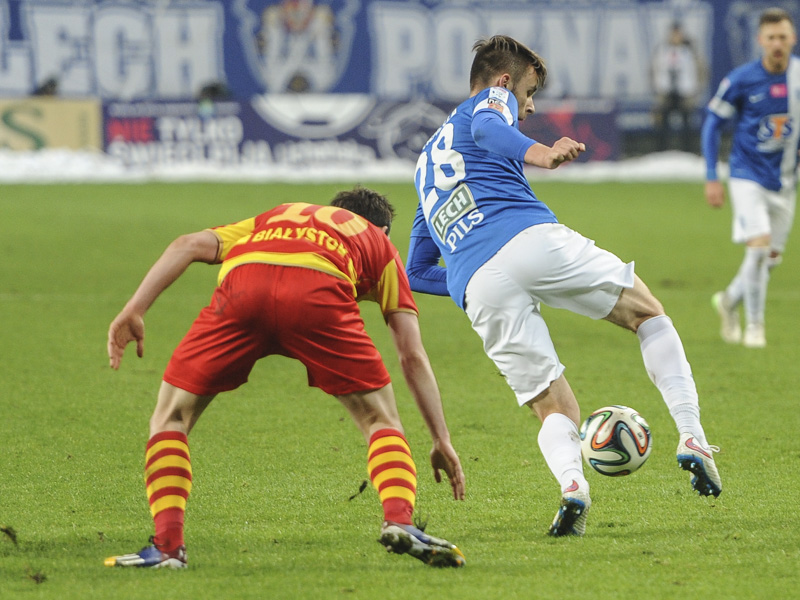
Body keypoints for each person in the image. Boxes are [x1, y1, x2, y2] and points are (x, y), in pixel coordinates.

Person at [408, 35, 722, 538]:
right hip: (527, 237)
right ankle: (693, 436)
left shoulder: (426, 163)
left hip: (477, 285)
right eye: (530, 93)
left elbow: (416, 271)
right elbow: (492, 124)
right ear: (506, 81)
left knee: (554, 407)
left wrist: (470, 281)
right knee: (648, 314)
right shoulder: (490, 103)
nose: (529, 107)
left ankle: (573, 486)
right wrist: (543, 152)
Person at [104, 187, 465, 569]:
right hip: (319, 294)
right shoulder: (378, 242)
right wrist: (440, 438)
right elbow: (411, 354)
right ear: (384, 230)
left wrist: (134, 309)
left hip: (243, 288)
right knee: (380, 421)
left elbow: (188, 244)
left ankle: (168, 549)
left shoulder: (280, 215)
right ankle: (399, 521)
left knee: (170, 418)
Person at [702, 7, 798, 349]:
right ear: (760, 40)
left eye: (783, 37)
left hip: (786, 182)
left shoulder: (799, 78)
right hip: (746, 175)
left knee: (770, 259)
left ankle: (728, 300)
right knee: (758, 248)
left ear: (793, 38)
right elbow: (713, 123)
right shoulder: (741, 79)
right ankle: (755, 328)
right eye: (771, 37)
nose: (777, 43)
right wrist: (712, 175)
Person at [650, 22, 705, 152]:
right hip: (665, 93)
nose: (676, 37)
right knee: (662, 123)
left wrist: (697, 89)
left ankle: (688, 152)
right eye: (673, 34)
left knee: (687, 124)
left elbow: (701, 70)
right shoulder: (662, 50)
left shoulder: (690, 51)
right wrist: (656, 89)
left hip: (685, 93)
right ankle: (661, 152)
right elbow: (653, 70)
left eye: (678, 34)